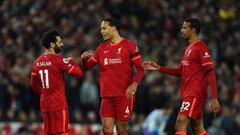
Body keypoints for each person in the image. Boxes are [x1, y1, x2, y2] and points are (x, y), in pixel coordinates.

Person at [143, 18, 221, 135]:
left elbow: (211, 71)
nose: (181, 30)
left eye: (184, 27)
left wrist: (214, 97)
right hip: (187, 93)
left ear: (193, 30)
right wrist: (160, 68)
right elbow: (180, 71)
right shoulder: (189, 48)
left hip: (195, 93)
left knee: (180, 122)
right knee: (197, 128)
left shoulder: (201, 47)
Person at [81, 18, 144, 135]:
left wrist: (135, 84)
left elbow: (140, 69)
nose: (101, 31)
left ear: (113, 27)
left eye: (104, 28)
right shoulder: (101, 48)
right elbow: (87, 67)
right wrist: (84, 60)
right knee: (106, 128)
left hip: (124, 95)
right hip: (106, 96)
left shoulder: (129, 45)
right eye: (101, 29)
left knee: (121, 130)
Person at [29, 29, 83, 135]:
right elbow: (79, 73)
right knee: (62, 133)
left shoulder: (36, 62)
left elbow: (32, 84)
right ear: (52, 44)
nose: (62, 44)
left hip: (45, 104)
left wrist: (44, 92)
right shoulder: (59, 60)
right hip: (58, 104)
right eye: (59, 42)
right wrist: (72, 62)